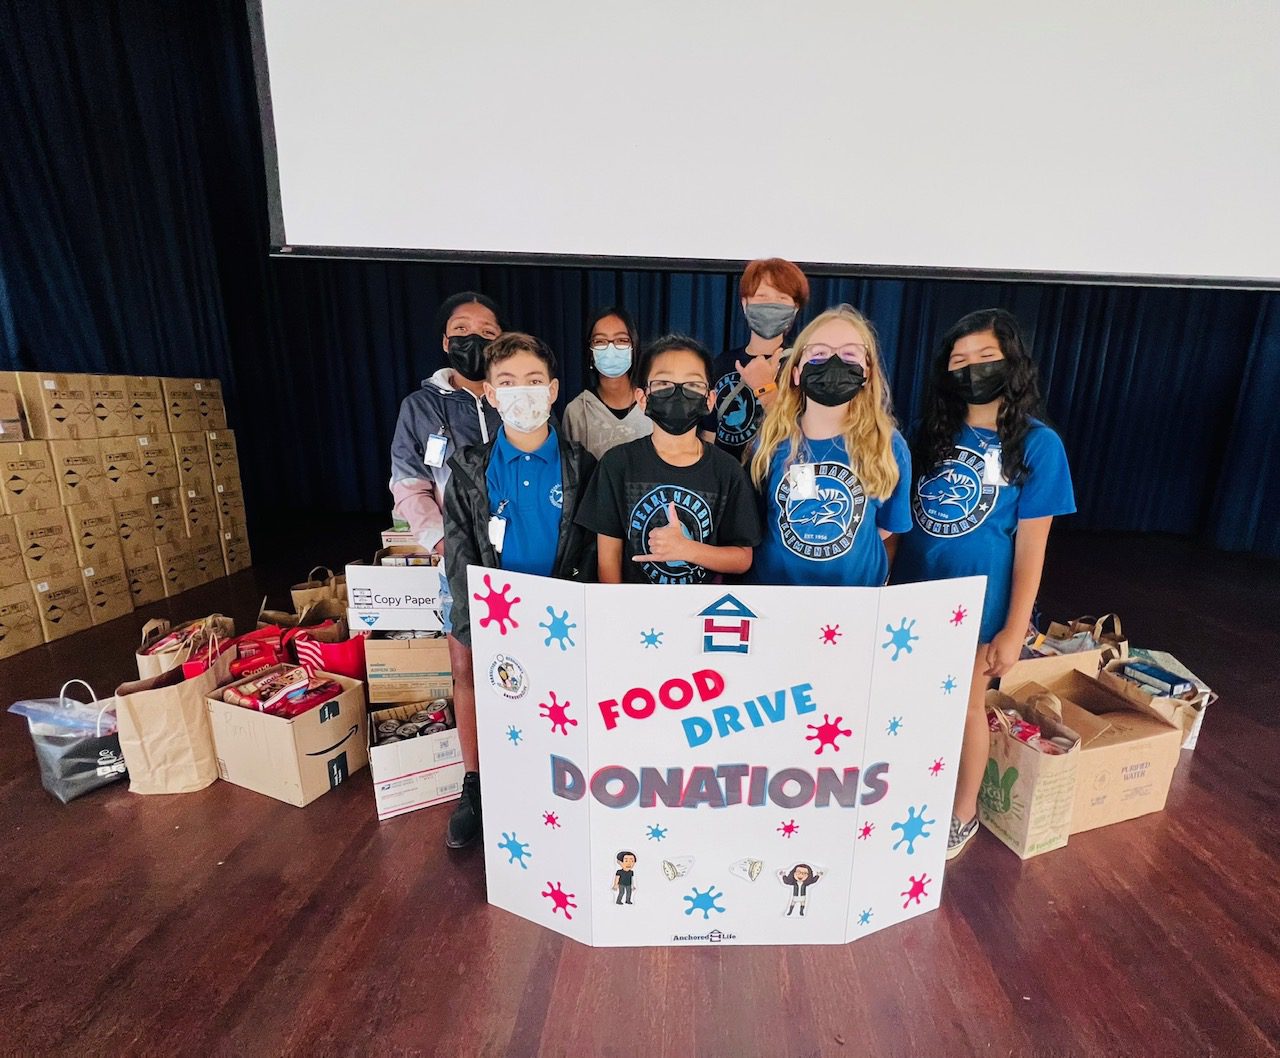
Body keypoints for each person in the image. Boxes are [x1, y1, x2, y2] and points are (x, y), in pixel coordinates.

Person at [891, 308, 1075, 860]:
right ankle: (906, 795)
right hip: (911, 597)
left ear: (1012, 363)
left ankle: (962, 813)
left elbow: (1032, 549)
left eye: (986, 357)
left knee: (965, 708)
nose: (972, 369)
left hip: (978, 608)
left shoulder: (1038, 445)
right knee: (908, 704)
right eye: (960, 360)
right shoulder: (923, 435)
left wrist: (1014, 629)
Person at [441, 332, 596, 848]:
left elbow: (589, 550)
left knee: (554, 699)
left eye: (533, 381)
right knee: (471, 675)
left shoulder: (583, 466)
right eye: (507, 383)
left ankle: (557, 784)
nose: (521, 393)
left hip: (558, 615)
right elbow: (460, 552)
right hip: (493, 615)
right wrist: (477, 627)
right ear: (489, 393)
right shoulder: (469, 469)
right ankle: (476, 784)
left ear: (552, 390)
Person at [577, 334, 762, 585]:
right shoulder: (617, 464)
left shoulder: (727, 471)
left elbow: (742, 558)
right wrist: (619, 607)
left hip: (701, 608)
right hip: (634, 607)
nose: (678, 393)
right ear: (642, 398)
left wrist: (686, 549)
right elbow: (608, 560)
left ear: (710, 400)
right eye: (663, 383)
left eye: (693, 384)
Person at [749, 305, 912, 586]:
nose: (834, 362)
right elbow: (757, 522)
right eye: (819, 354)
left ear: (867, 373)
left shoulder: (887, 444)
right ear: (796, 373)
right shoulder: (771, 439)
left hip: (854, 598)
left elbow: (887, 529)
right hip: (777, 595)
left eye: (849, 354)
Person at [389, 291, 504, 555]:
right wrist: (443, 543)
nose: (473, 339)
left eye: (487, 332)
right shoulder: (419, 407)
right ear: (445, 341)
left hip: (519, 547)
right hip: (455, 550)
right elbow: (408, 483)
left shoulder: (519, 400)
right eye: (461, 329)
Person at [701, 258, 810, 462]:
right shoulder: (722, 363)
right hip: (728, 476)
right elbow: (709, 433)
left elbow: (804, 437)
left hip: (779, 474)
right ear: (745, 304)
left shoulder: (803, 366)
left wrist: (765, 387)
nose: (771, 305)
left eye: (782, 298)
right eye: (762, 296)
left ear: (795, 308)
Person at [562, 307, 653, 459]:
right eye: (600, 341)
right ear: (590, 351)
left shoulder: (653, 404)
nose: (611, 348)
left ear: (634, 346)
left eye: (621, 340)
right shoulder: (578, 412)